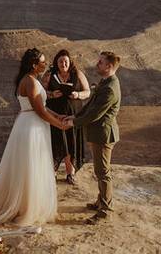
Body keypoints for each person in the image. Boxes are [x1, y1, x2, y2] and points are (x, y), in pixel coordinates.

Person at [0, 47, 71, 225]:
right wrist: (59, 125)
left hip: (28, 122)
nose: (45, 64)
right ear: (34, 65)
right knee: (32, 165)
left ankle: (26, 202)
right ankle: (27, 207)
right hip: (32, 127)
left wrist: (57, 116)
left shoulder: (28, 79)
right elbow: (40, 111)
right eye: (42, 62)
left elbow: (39, 105)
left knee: (28, 165)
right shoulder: (32, 82)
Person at [64, 51, 121, 225]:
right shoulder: (106, 82)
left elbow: (95, 114)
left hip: (104, 135)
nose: (97, 64)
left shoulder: (110, 88)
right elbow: (90, 105)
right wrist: (75, 116)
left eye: (101, 62)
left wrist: (74, 124)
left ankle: (105, 211)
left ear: (109, 66)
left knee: (103, 173)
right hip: (98, 133)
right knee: (100, 170)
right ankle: (100, 202)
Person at [43, 49, 90, 185]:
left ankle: (70, 174)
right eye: (60, 61)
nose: (63, 63)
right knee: (55, 142)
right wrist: (52, 94)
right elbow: (40, 92)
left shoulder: (78, 74)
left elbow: (87, 91)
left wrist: (77, 95)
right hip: (54, 115)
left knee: (71, 143)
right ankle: (53, 174)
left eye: (65, 61)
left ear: (70, 62)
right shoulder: (49, 74)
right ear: (56, 62)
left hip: (73, 116)